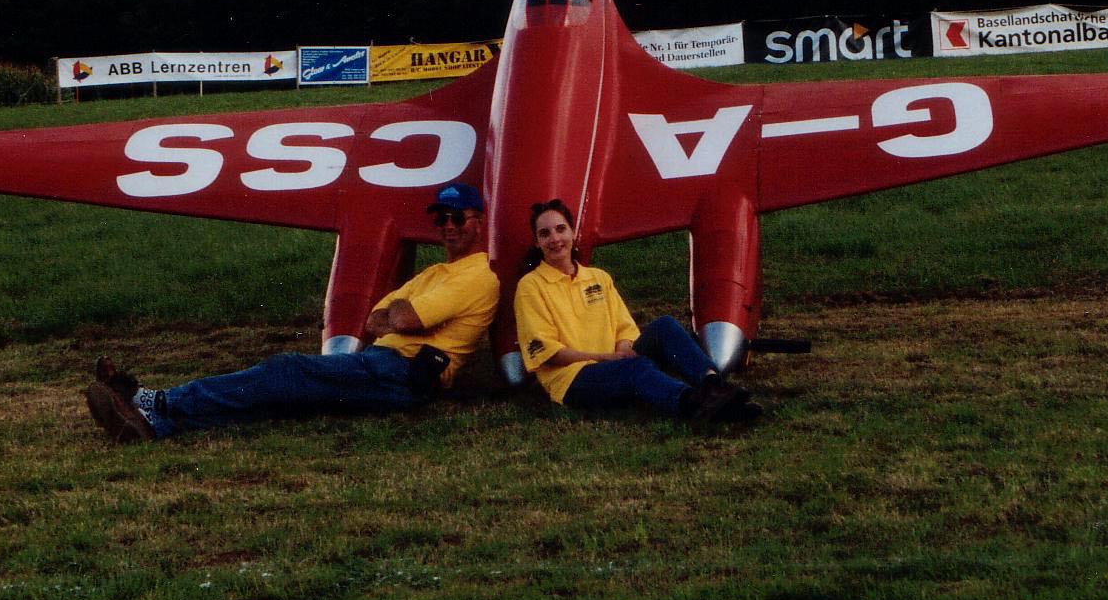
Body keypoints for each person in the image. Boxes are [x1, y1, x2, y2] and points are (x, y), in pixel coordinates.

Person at [84, 182, 499, 443]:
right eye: (441, 217)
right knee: (281, 399)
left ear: (479, 222)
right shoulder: (437, 272)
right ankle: (155, 425)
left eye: (458, 217)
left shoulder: (480, 275)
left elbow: (401, 318)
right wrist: (396, 314)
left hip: (403, 375)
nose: (449, 225)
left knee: (286, 371)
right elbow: (374, 319)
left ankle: (154, 399)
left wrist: (397, 314)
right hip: (381, 364)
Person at [513, 199, 759, 423]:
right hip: (572, 378)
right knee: (636, 368)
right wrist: (609, 358)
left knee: (665, 326)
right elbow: (549, 354)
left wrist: (622, 347)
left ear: (573, 231)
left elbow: (624, 327)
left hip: (614, 361)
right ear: (537, 243)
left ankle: (713, 386)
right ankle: (692, 404)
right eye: (545, 234)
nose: (555, 239)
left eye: (560, 229)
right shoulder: (530, 286)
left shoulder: (598, 277)